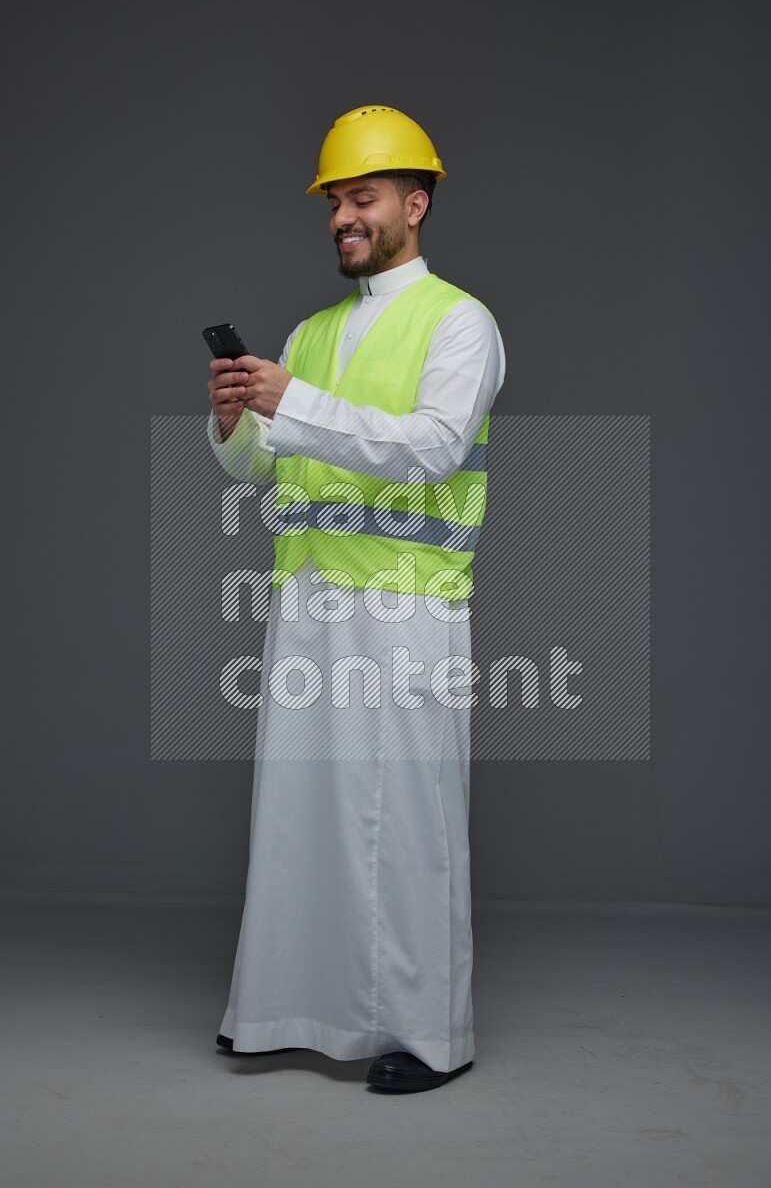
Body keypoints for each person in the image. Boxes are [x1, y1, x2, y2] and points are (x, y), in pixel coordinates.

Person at [206, 104, 506, 1093]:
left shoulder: (458, 320)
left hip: (408, 611)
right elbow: (259, 472)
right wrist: (238, 418)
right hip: (310, 605)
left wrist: (291, 401)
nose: (343, 216)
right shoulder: (312, 332)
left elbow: (429, 448)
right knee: (300, 819)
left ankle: (428, 1037)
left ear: (414, 203)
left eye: (362, 197)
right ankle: (277, 1013)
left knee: (405, 824)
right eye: (334, 201)